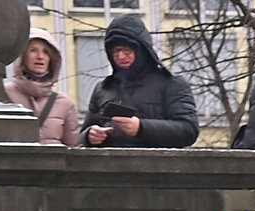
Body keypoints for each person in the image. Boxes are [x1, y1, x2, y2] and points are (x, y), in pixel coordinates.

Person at [80, 14, 199, 149]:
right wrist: (90, 136)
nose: (120, 56)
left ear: (142, 50)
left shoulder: (172, 83)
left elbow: (189, 130)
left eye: (127, 50)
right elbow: (83, 134)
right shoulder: (103, 88)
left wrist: (141, 128)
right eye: (116, 51)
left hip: (159, 166)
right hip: (110, 167)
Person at [5, 30, 82, 147]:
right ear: (22, 56)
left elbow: (74, 150)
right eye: (33, 50)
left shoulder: (64, 103)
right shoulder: (4, 94)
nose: (40, 57)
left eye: (46, 52)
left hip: (53, 165)